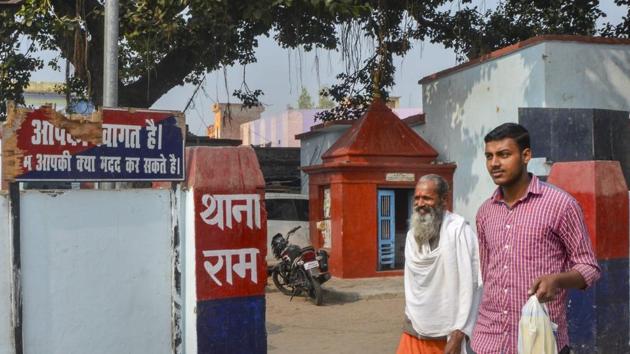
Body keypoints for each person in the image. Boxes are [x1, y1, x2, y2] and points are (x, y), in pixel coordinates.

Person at [471, 123, 601, 354]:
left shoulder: (561, 205)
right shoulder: (485, 212)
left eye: (504, 155)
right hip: (487, 342)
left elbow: (589, 267)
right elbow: (487, 271)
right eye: (489, 156)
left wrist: (557, 280)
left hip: (540, 342)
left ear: (526, 155)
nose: (494, 164)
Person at [396, 174, 482, 354]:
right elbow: (412, 284)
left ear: (443, 200)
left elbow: (472, 284)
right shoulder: (413, 235)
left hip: (447, 334)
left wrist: (460, 333)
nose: (420, 203)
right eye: (417, 198)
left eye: (427, 198)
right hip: (413, 327)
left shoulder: (458, 231)